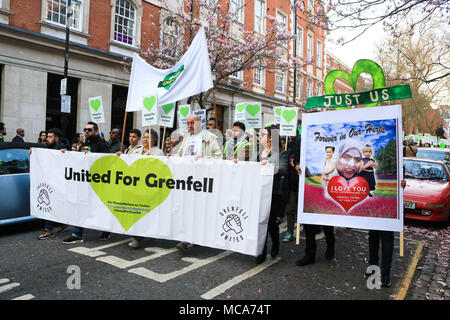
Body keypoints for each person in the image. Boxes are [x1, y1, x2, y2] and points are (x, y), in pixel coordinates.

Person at [174, 114, 222, 253]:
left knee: (199, 210)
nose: (189, 126)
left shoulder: (211, 137)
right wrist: (172, 158)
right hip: (187, 180)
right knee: (188, 209)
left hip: (202, 180)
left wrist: (204, 158)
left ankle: (190, 239)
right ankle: (189, 237)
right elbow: (181, 154)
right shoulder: (186, 137)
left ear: (200, 123)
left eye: (192, 123)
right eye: (187, 123)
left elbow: (218, 157)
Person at [62, 121, 109, 244]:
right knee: (81, 206)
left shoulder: (102, 144)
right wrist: (64, 153)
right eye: (85, 130)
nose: (86, 132)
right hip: (83, 181)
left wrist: (92, 156)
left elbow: (106, 162)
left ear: (96, 131)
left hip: (97, 183)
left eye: (89, 130)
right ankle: (77, 233)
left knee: (99, 208)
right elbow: (76, 158)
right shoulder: (83, 144)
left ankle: (107, 229)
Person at [255, 125, 289, 264]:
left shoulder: (281, 153)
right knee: (259, 222)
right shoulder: (258, 152)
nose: (259, 137)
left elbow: (283, 170)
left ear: (270, 138)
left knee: (269, 222)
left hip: (274, 193)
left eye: (262, 134)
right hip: (258, 192)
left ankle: (275, 243)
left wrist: (268, 166)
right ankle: (261, 251)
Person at [365, 179, 407, 287]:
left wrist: (403, 184)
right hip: (375, 210)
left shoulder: (399, 164)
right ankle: (373, 269)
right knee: (373, 241)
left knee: (387, 243)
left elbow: (401, 184)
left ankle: (385, 274)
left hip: (389, 212)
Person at [128, 129, 164, 249]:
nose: (144, 139)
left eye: (148, 137)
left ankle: (138, 238)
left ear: (154, 140)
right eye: (144, 137)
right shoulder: (136, 151)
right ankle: (138, 234)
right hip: (135, 185)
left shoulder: (158, 153)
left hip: (148, 186)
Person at [37, 128, 69, 239]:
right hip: (52, 181)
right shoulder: (49, 147)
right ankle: (63, 222)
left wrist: (65, 154)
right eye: (47, 137)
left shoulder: (62, 149)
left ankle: (49, 229)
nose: (47, 139)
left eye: (50, 137)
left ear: (56, 138)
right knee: (54, 204)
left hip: (59, 182)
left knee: (50, 204)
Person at [283, 135, 301, 243]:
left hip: (303, 186)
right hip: (291, 186)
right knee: (290, 209)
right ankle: (290, 231)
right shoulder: (289, 152)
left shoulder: (305, 153)